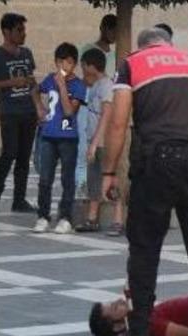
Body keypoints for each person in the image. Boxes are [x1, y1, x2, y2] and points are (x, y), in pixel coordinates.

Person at [101, 28, 188, 336]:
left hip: (155, 164)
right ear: (169, 45)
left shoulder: (132, 64)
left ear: (144, 46)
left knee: (145, 250)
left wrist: (109, 171)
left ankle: (140, 332)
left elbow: (118, 122)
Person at [32, 42, 87, 235]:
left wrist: (63, 86)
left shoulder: (78, 86)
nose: (65, 66)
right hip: (48, 135)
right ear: (56, 62)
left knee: (67, 179)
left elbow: (69, 110)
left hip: (68, 137)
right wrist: (39, 108)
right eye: (61, 62)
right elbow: (35, 90)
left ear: (75, 64)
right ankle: (43, 216)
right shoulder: (49, 80)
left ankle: (65, 217)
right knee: (45, 178)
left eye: (70, 63)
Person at [0, 13, 44, 214]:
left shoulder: (26, 53)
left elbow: (31, 81)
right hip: (10, 112)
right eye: (19, 30)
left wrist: (39, 106)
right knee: (9, 153)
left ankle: (19, 199)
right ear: (7, 31)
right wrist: (12, 83)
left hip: (28, 110)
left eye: (23, 30)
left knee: (24, 156)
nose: (23, 34)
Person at [74, 48, 124, 236]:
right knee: (94, 180)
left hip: (104, 142)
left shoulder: (106, 85)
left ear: (91, 66)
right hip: (95, 141)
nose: (83, 69)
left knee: (112, 180)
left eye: (84, 65)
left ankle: (118, 220)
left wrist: (95, 143)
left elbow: (107, 114)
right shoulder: (95, 85)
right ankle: (92, 218)